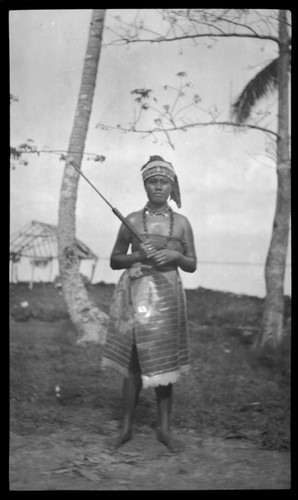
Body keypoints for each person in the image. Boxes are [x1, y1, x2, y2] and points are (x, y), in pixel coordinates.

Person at [102, 155, 197, 452]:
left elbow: (192, 264)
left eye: (164, 182)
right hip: (135, 295)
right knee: (133, 363)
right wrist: (138, 257)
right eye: (153, 181)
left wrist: (176, 257)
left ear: (172, 185)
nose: (158, 187)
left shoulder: (181, 224)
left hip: (167, 298)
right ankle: (127, 428)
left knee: (164, 363)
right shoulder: (131, 220)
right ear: (145, 185)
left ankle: (164, 430)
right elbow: (115, 260)